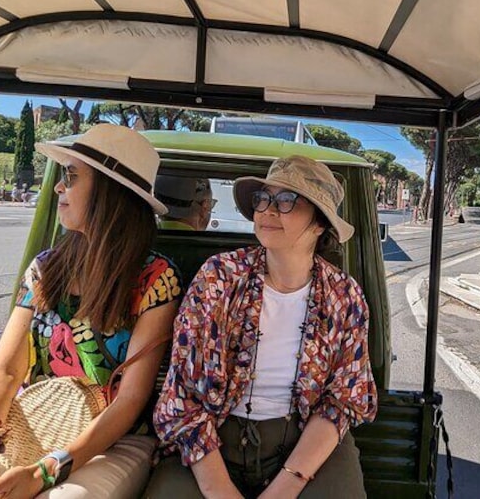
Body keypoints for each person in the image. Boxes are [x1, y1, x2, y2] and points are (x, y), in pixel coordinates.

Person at [0, 125, 182, 499]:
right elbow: (4, 369)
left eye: (70, 176)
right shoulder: (45, 268)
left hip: (115, 441)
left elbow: (129, 401)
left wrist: (45, 472)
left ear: (109, 192)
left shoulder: (156, 279)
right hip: (30, 426)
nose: (57, 187)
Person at [148, 155, 378, 499]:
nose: (268, 210)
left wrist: (286, 486)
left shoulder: (344, 297)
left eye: (287, 200)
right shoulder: (219, 278)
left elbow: (342, 401)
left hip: (304, 442)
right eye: (263, 199)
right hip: (211, 439)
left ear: (319, 224)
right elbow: (183, 395)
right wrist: (220, 490)